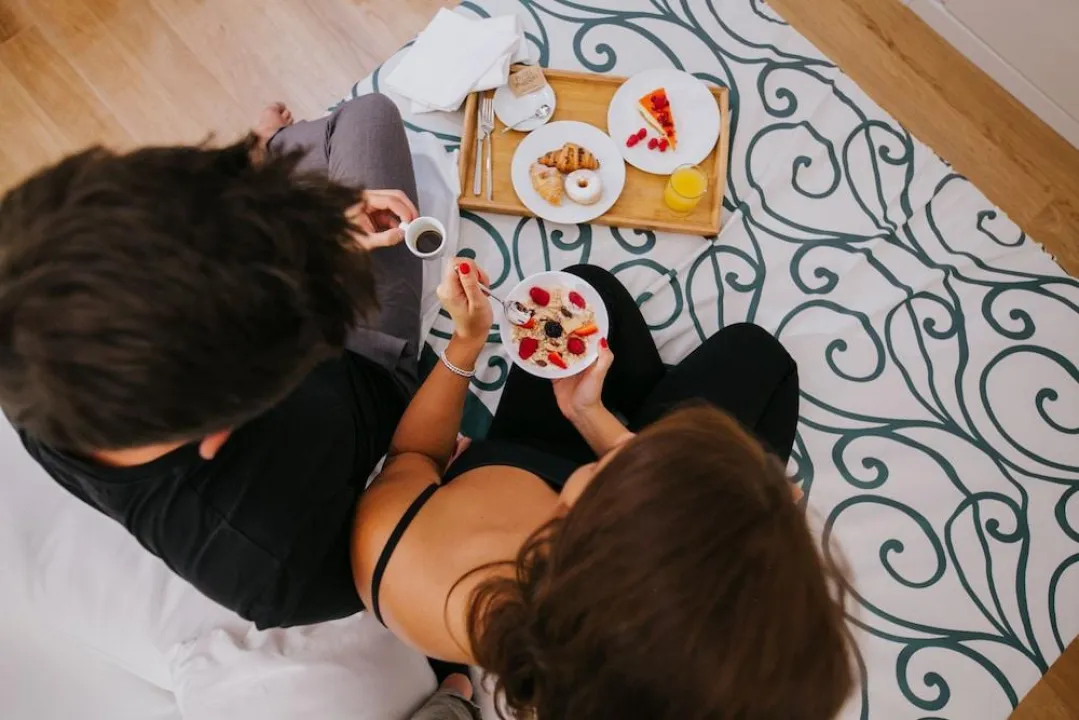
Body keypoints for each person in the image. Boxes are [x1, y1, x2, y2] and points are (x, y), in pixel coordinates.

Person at [351, 261, 854, 720]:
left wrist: (467, 342)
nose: (620, 460)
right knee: (754, 354)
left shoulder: (395, 555)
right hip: (574, 459)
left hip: (528, 444)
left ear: (588, 527)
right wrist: (590, 416)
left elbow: (413, 456)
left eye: (626, 476)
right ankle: (659, 408)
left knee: (587, 298)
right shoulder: (661, 645)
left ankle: (657, 409)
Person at [0, 95, 426, 628]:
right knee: (368, 119)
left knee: (365, 119)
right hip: (373, 373)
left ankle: (265, 148)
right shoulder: (276, 571)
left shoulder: (21, 328)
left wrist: (311, 219)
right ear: (224, 428)